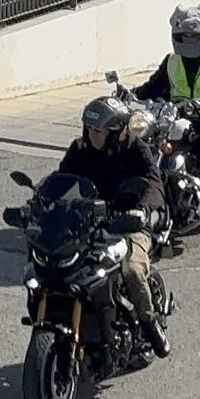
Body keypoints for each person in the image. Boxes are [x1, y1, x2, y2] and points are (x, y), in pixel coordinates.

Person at [57, 96, 170, 358]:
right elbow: (61, 178)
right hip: (89, 222)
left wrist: (141, 209)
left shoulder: (136, 150)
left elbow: (155, 184)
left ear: (117, 131)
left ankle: (150, 323)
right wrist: (39, 201)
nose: (91, 135)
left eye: (98, 130)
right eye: (88, 128)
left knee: (132, 270)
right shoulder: (80, 149)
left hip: (129, 223)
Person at [135, 5, 200, 210]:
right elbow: (154, 85)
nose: (189, 40)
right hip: (176, 114)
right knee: (145, 137)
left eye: (194, 36)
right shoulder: (172, 60)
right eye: (185, 36)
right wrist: (131, 94)